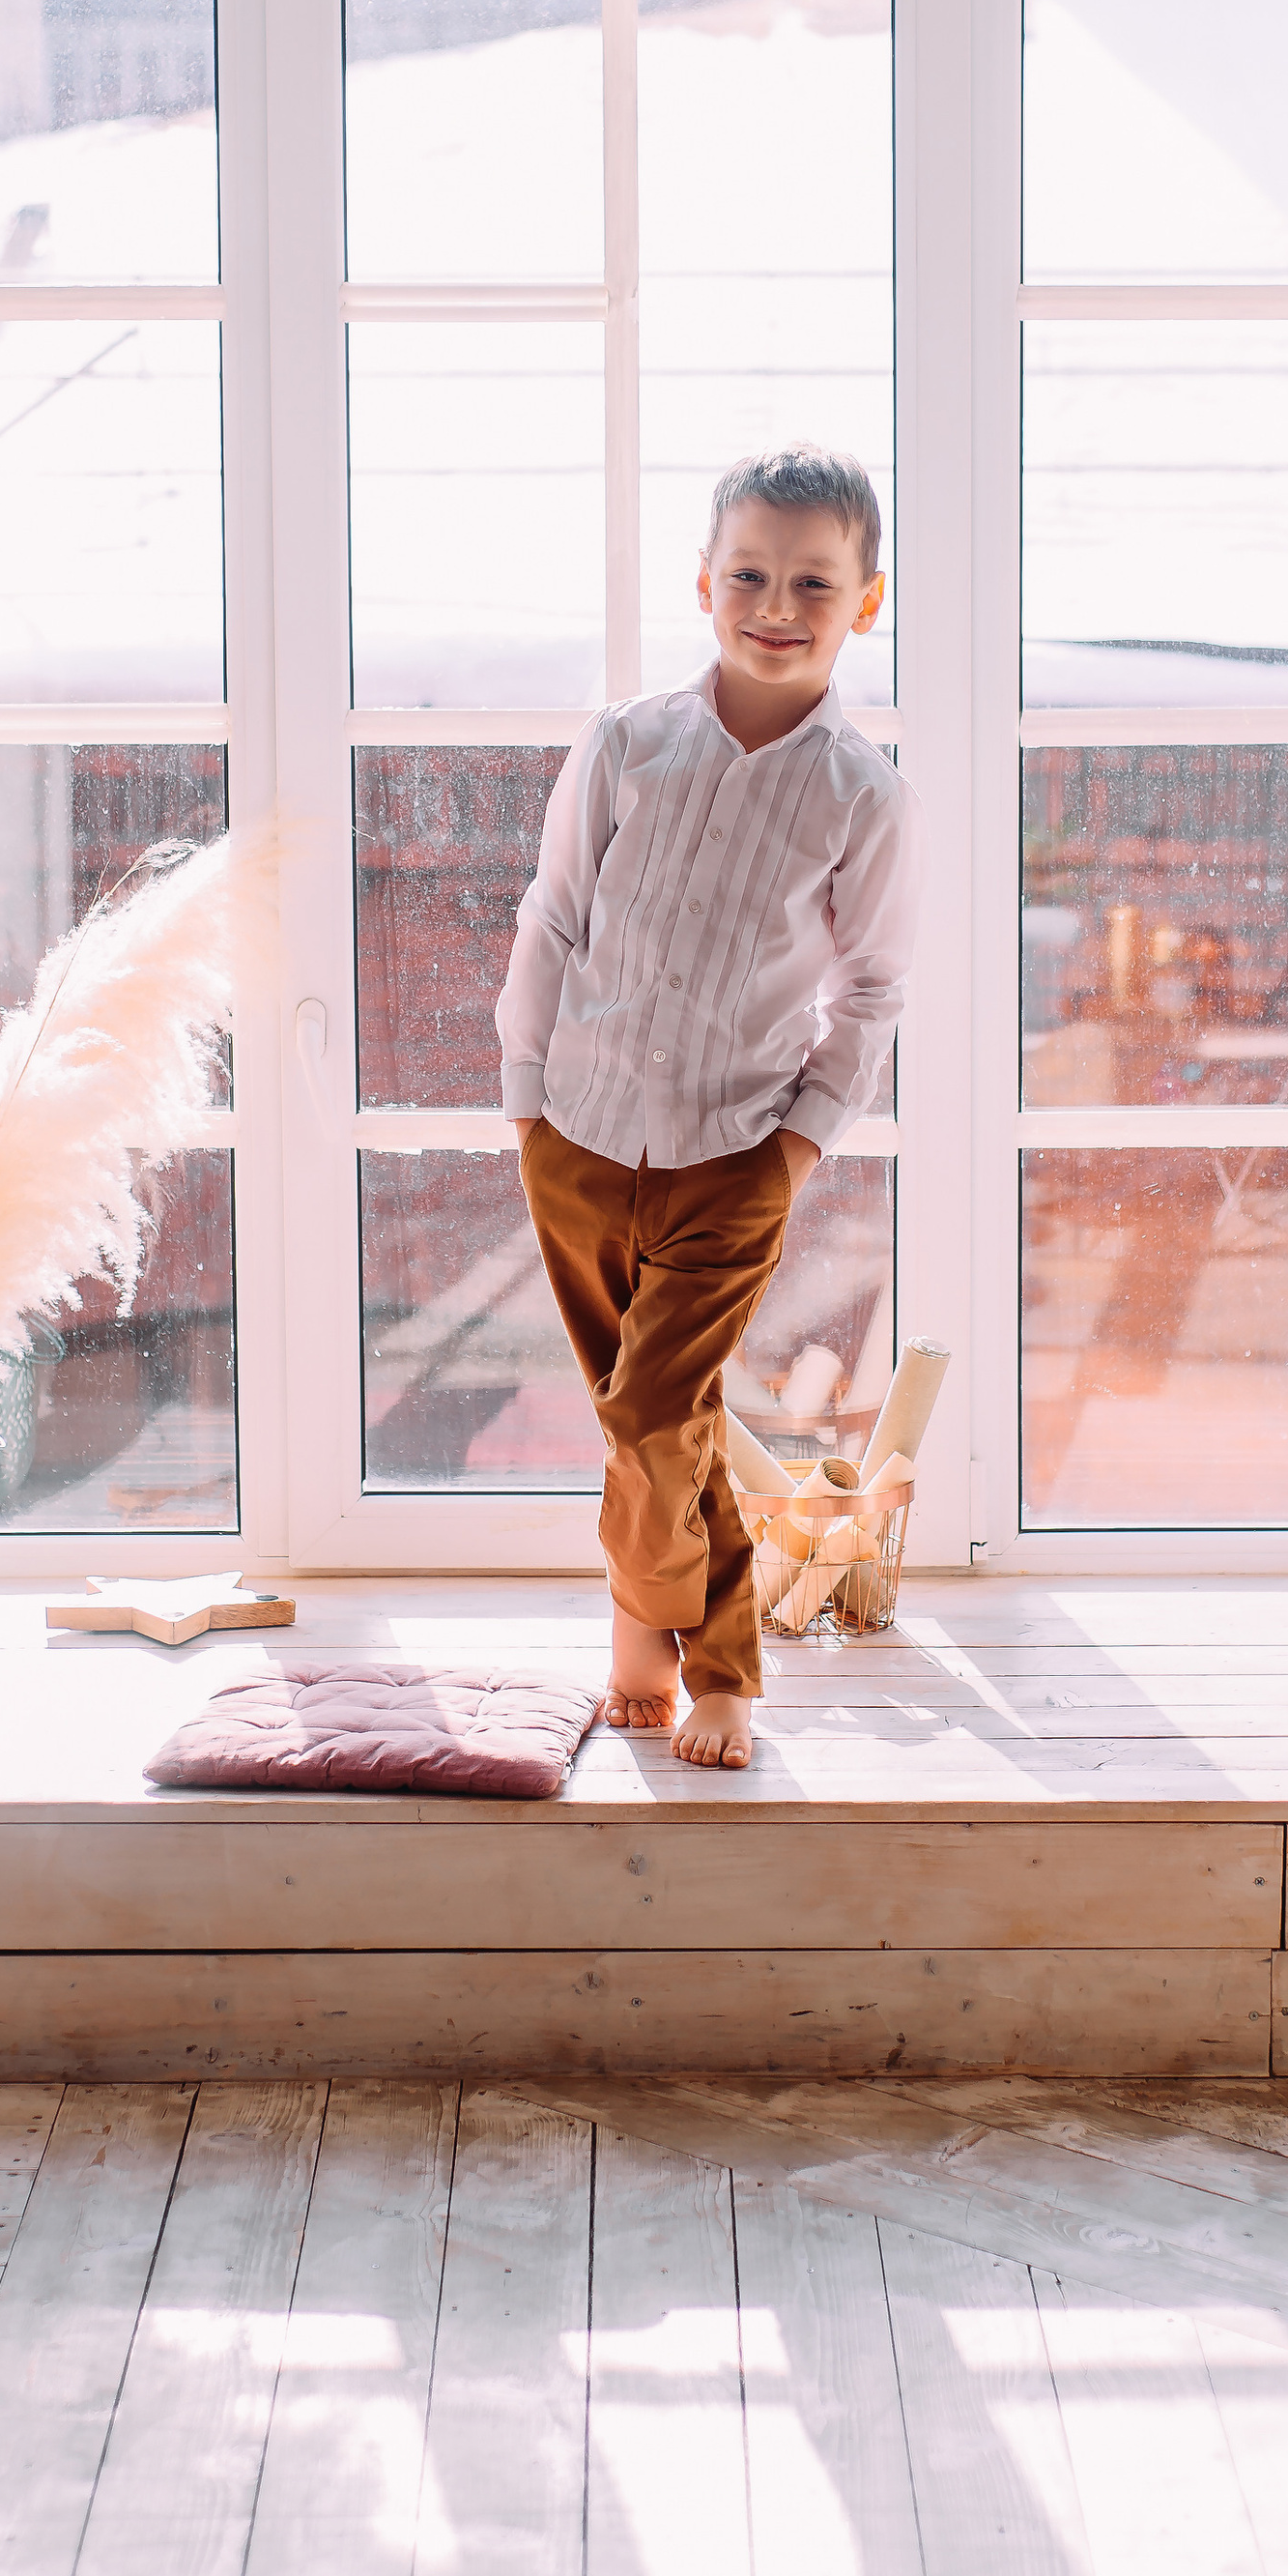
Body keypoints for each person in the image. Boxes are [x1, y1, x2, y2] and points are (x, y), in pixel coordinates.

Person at [497, 447, 921, 1768]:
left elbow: (873, 992)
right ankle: (651, 1634)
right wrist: (525, 1100)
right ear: (703, 583)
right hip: (574, 1131)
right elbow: (555, 914)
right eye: (749, 573)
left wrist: (795, 1150)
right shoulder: (628, 742)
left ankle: (700, 1657)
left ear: (867, 599)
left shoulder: (862, 792)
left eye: (813, 580)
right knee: (659, 1421)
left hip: (734, 1153)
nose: (776, 603)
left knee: (646, 1413)